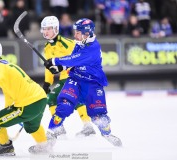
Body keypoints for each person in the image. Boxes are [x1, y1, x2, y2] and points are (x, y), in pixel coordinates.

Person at [44, 18, 122, 146]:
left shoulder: (93, 47)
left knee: (99, 118)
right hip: (75, 79)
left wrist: (55, 61)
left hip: (92, 84)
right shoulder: (79, 44)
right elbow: (73, 63)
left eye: (77, 33)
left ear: (87, 33)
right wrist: (60, 68)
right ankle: (51, 135)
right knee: (64, 105)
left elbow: (76, 58)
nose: (74, 35)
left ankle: (107, 133)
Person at [0, 40, 56, 156]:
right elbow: (8, 93)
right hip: (40, 99)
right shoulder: (6, 64)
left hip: (28, 104)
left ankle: (6, 147)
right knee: (32, 126)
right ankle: (43, 145)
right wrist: (8, 112)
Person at [41, 16, 96, 137]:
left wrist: (61, 66)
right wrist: (46, 84)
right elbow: (50, 68)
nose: (46, 32)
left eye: (49, 29)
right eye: (44, 29)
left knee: (55, 98)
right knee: (67, 99)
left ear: (56, 29)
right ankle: (87, 127)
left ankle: (59, 128)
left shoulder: (67, 44)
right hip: (65, 78)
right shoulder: (47, 47)